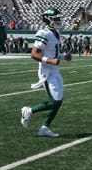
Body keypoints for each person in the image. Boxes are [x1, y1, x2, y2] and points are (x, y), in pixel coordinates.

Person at [21, 8, 72, 138]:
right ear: (48, 19)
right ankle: (29, 111)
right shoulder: (44, 33)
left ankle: (44, 128)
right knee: (55, 101)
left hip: (55, 70)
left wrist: (63, 56)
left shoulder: (56, 33)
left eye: (58, 18)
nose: (58, 20)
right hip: (47, 71)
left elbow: (53, 52)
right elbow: (34, 53)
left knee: (58, 101)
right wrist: (49, 60)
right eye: (55, 18)